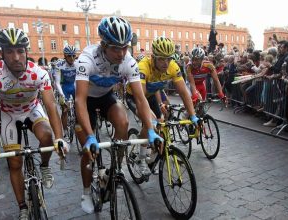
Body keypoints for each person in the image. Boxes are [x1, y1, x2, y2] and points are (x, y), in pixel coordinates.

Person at [75, 16, 162, 214]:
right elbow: (79, 100)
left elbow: (140, 99)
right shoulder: (87, 58)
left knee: (123, 122)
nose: (122, 53)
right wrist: (89, 136)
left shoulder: (129, 61)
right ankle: (87, 191)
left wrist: (150, 130)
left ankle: (115, 168)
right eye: (116, 48)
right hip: (86, 100)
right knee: (89, 151)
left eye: (125, 47)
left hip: (106, 96)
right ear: (103, 44)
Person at [0, 27, 68, 219]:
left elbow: (51, 105)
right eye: (10, 51)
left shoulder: (39, 73)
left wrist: (60, 139)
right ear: (1, 53)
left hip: (32, 109)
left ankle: (44, 166)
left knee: (47, 136)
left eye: (20, 51)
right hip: (9, 115)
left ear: (27, 51)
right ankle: (22, 206)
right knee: (14, 162)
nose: (16, 57)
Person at [125, 36, 199, 174]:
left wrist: (193, 116)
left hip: (151, 95)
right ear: (153, 57)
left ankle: (152, 155)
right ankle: (141, 157)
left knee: (160, 122)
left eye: (169, 58)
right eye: (161, 59)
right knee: (151, 123)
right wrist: (150, 123)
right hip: (135, 97)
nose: (166, 63)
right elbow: (141, 98)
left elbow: (184, 93)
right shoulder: (143, 67)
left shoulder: (172, 66)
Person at [53, 45, 77, 136]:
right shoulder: (60, 65)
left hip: (74, 85)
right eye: (69, 56)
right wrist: (62, 95)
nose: (72, 58)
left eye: (73, 55)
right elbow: (57, 83)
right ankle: (65, 131)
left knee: (79, 106)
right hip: (64, 88)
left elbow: (79, 80)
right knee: (65, 110)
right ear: (65, 56)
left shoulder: (78, 63)